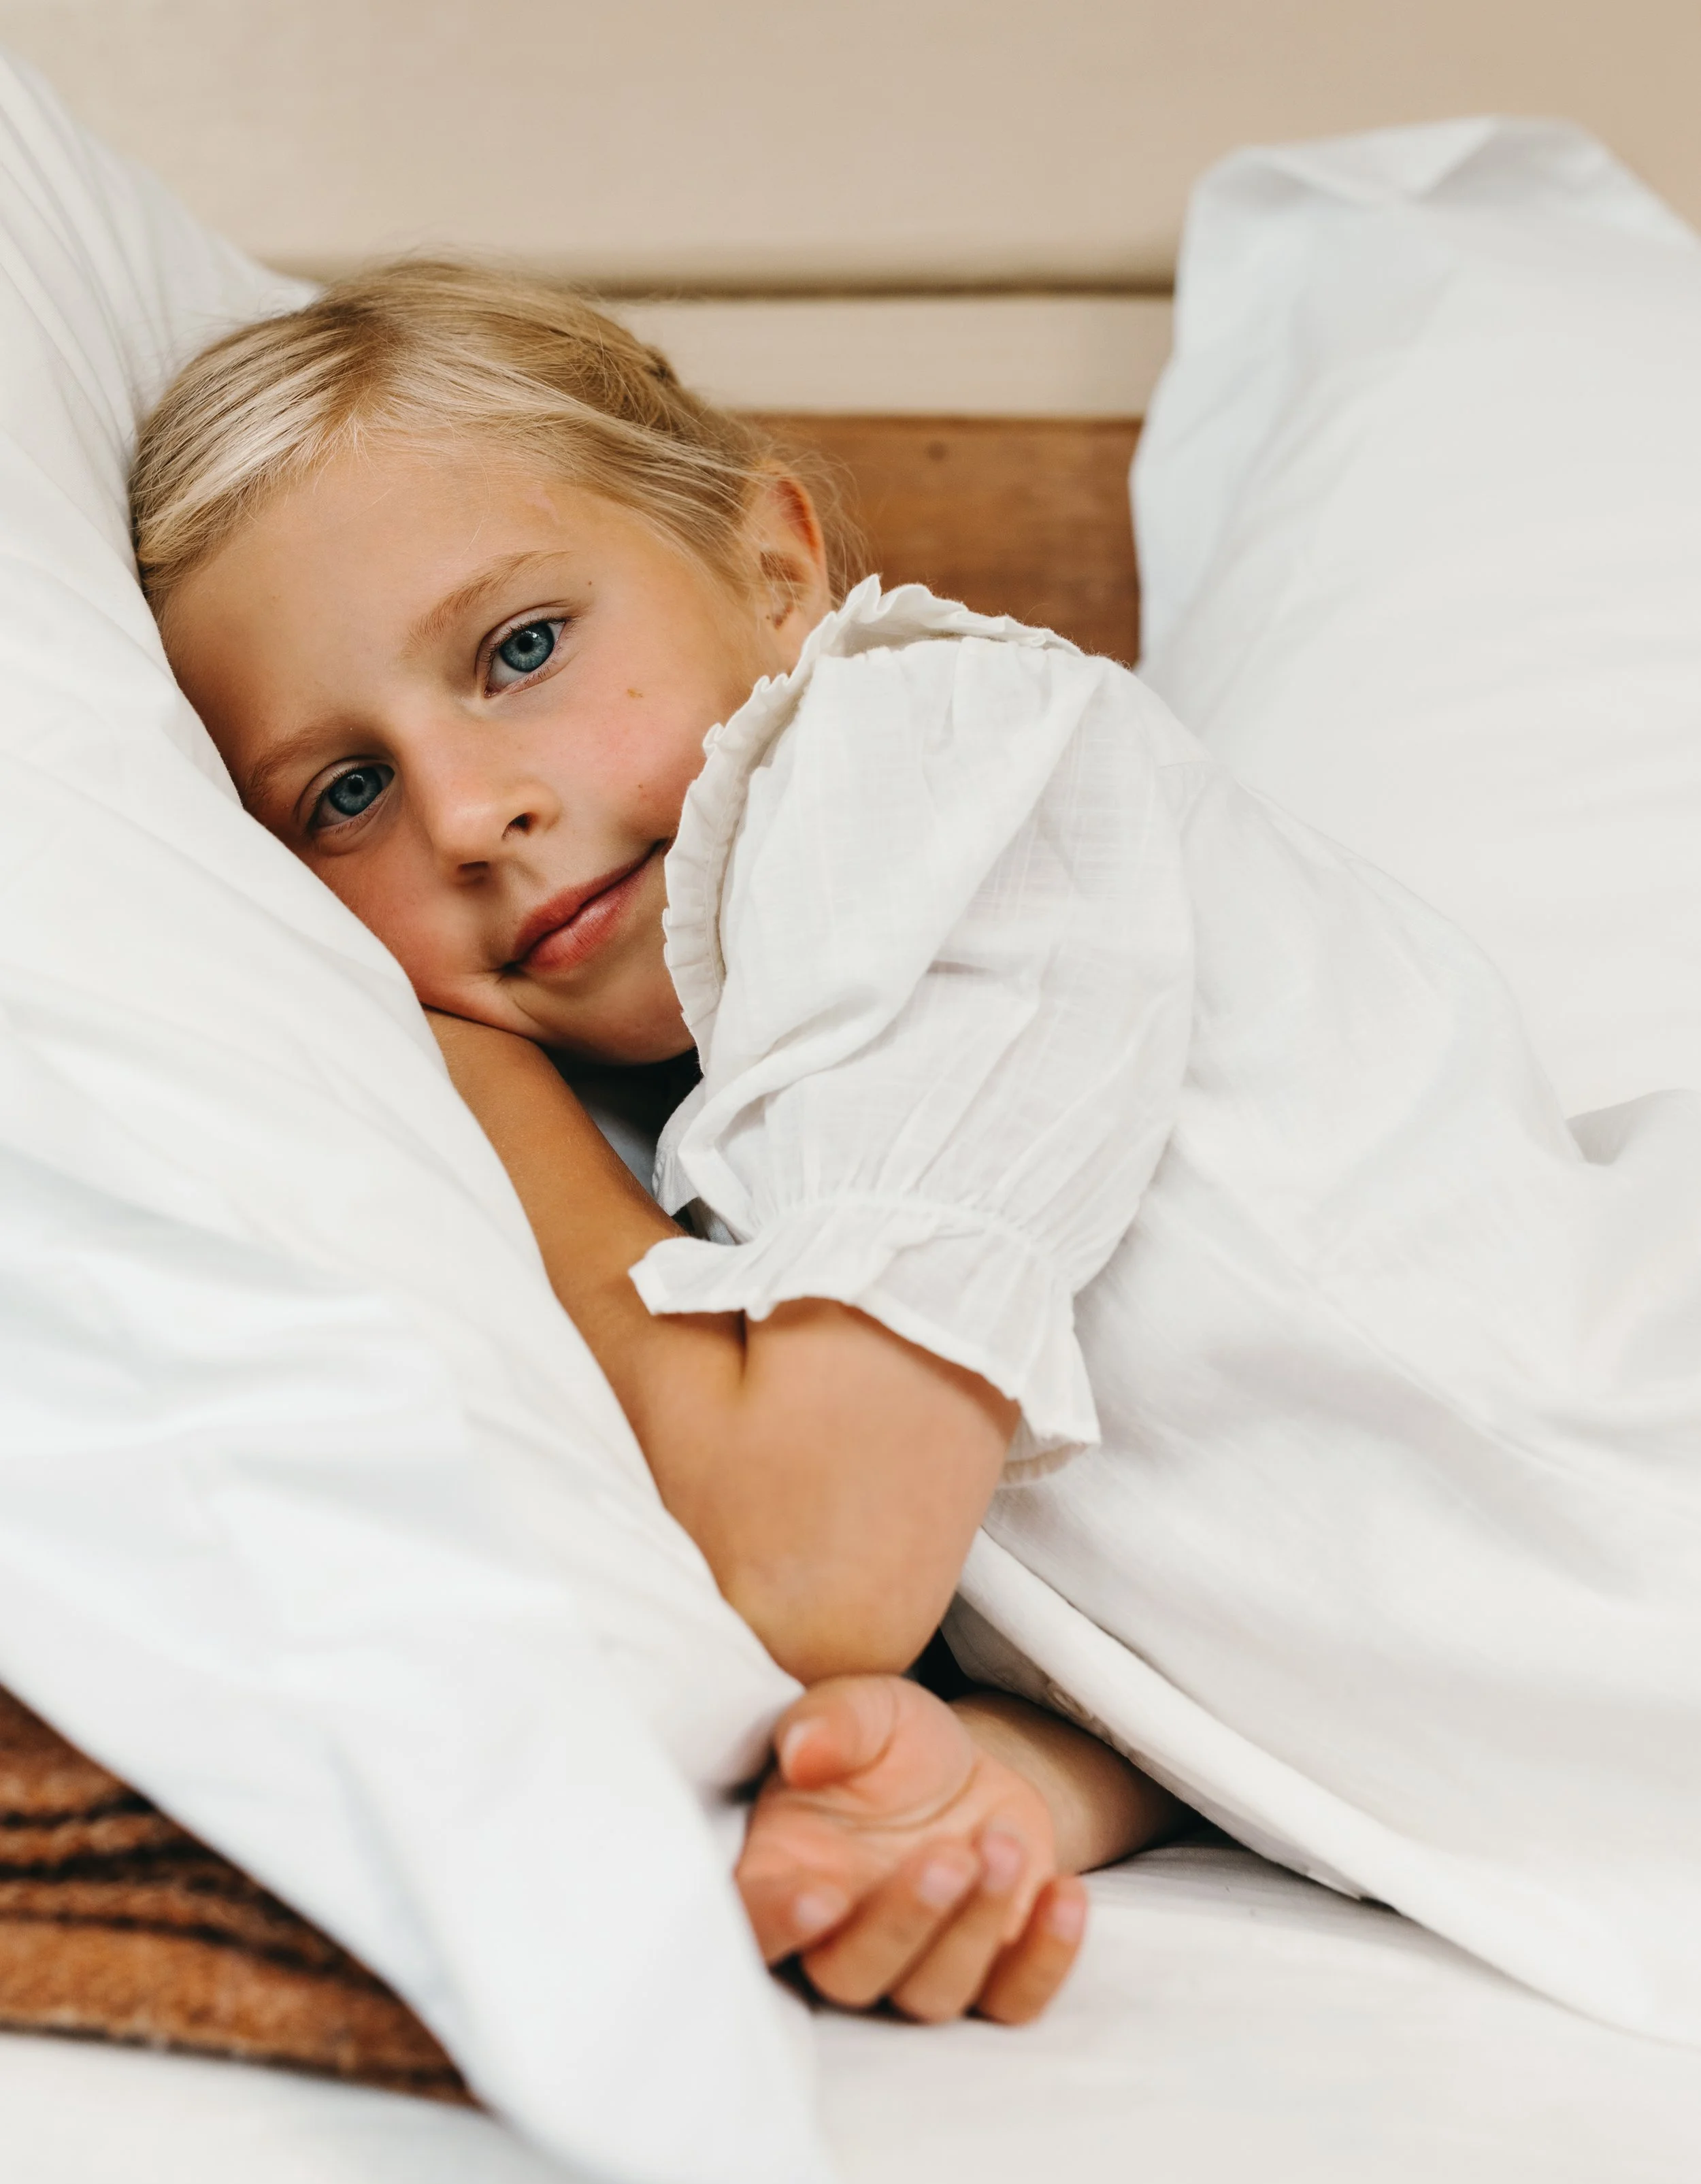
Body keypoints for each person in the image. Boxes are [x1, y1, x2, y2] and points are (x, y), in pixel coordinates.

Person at [131, 263, 1701, 2052]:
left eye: (520, 650)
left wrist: (464, 1082)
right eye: (341, 797)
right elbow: (1289, 1547)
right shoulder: (730, 1129)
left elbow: (809, 1566)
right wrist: (1015, 1783)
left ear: (775, 565)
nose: (466, 813)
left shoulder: (916, 767)